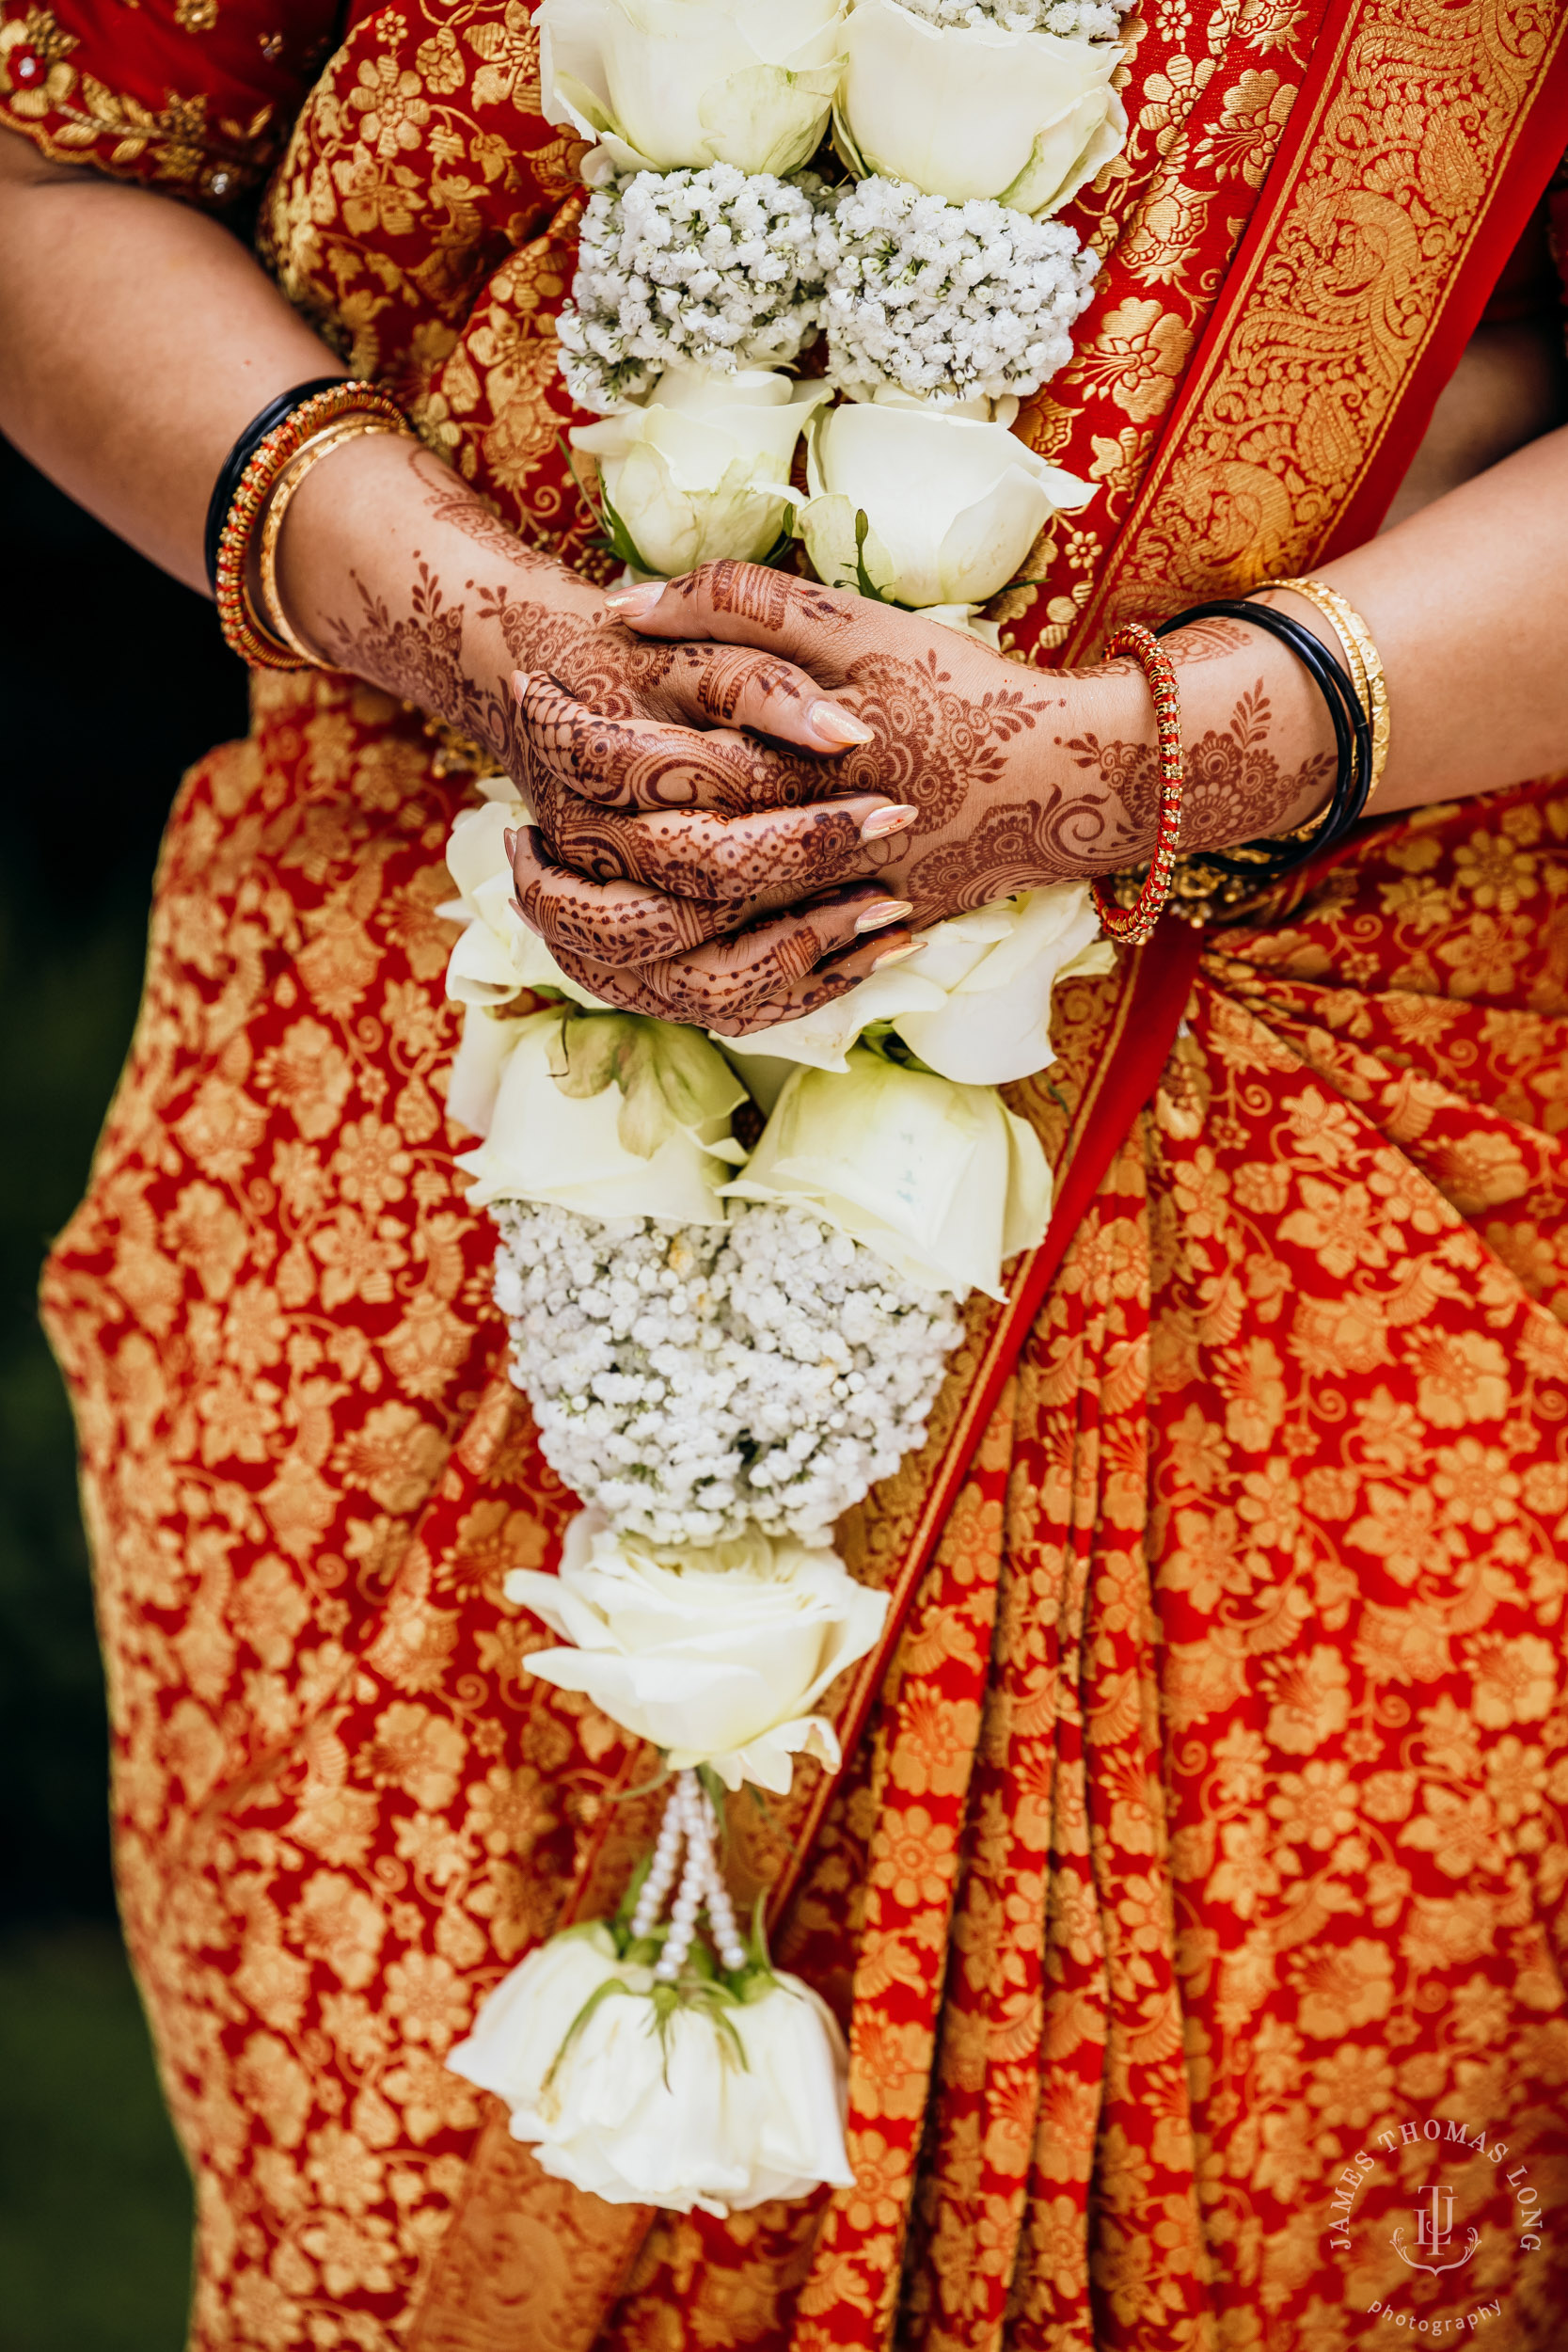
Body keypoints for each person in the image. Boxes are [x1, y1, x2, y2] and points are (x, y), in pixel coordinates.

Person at [3, 2, 1568, 2344]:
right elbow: (44, 174)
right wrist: (478, 622)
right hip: (442, 1141)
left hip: (1336, 1183)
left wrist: (1141, 754)